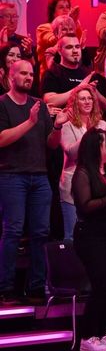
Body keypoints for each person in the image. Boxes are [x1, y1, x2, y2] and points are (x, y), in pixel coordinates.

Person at [0, 60, 68, 304]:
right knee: (13, 231)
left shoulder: (38, 104)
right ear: (11, 76)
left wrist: (57, 127)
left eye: (31, 74)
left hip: (39, 176)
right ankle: (6, 288)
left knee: (41, 232)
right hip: (11, 176)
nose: (28, 77)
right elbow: (2, 139)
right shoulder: (3, 104)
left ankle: (37, 286)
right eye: (23, 73)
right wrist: (29, 122)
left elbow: (51, 144)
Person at [72, 128, 106, 351]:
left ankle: (105, 333)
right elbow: (86, 206)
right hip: (91, 236)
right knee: (100, 285)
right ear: (96, 147)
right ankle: (87, 337)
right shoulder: (83, 173)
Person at [59, 84, 106, 242]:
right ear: (75, 103)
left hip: (97, 185)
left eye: (89, 98)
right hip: (73, 183)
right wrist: (91, 135)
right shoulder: (67, 125)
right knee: (72, 236)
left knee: (95, 235)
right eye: (82, 99)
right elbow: (71, 152)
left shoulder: (102, 125)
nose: (87, 102)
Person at [42, 33, 106, 108]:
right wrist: (80, 88)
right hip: (64, 115)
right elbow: (50, 101)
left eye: (77, 47)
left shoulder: (88, 73)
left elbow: (104, 106)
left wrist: (94, 91)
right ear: (59, 51)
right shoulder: (52, 73)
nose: (75, 51)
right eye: (69, 47)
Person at [35, 0, 84, 80]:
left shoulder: (75, 26)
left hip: (70, 75)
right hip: (51, 77)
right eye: (61, 7)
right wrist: (69, 22)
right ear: (53, 13)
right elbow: (53, 40)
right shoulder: (43, 28)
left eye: (68, 7)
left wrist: (74, 23)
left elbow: (79, 44)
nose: (65, 10)